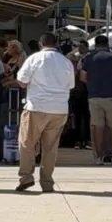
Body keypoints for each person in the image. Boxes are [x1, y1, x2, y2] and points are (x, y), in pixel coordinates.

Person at [14, 32, 75, 193]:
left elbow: (21, 81)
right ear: (56, 44)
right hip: (60, 109)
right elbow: (71, 86)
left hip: (37, 107)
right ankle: (47, 182)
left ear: (41, 44)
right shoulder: (66, 62)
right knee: (51, 148)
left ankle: (26, 177)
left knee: (27, 143)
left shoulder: (34, 59)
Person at [79, 35, 112, 165]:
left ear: (95, 45)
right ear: (107, 44)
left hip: (94, 97)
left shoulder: (88, 59)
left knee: (98, 128)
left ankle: (99, 157)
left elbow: (82, 77)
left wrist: (92, 84)